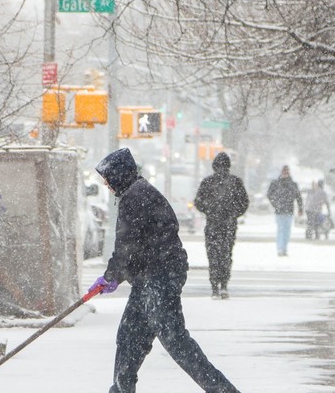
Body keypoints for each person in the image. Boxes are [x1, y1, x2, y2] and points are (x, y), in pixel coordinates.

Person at [89, 148, 240, 393]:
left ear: (118, 175)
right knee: (129, 338)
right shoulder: (137, 192)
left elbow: (128, 246)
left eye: (107, 178)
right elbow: (134, 246)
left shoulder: (135, 197)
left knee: (175, 341)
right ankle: (121, 389)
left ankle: (223, 390)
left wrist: (111, 276)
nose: (106, 184)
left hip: (159, 277)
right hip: (149, 277)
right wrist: (115, 274)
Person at [193, 152, 249, 299]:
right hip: (228, 225)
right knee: (226, 254)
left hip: (213, 224)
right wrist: (233, 213)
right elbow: (244, 202)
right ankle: (223, 284)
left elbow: (198, 201)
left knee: (213, 255)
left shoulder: (208, 182)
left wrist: (210, 210)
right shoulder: (235, 182)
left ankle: (215, 287)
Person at [266, 165, 303, 256]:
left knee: (287, 231)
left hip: (289, 211)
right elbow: (269, 194)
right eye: (284, 172)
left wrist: (300, 208)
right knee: (281, 230)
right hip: (279, 211)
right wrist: (275, 204)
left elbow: (298, 197)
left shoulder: (293, 184)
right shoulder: (276, 183)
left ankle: (284, 248)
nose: (285, 174)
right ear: (281, 172)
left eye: (286, 172)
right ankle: (280, 248)